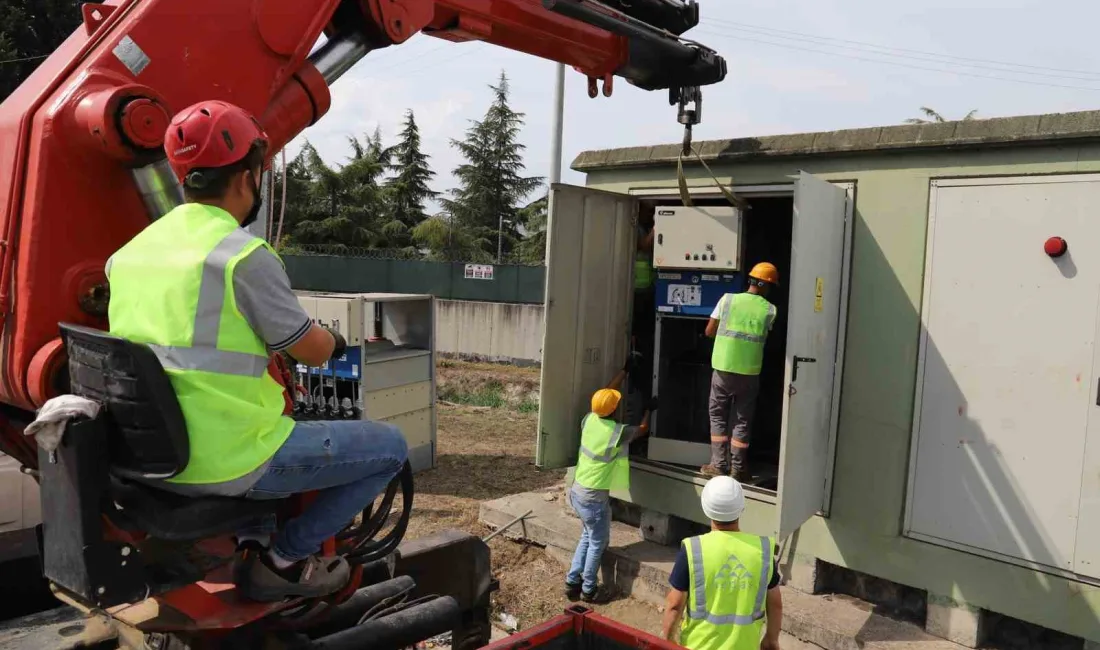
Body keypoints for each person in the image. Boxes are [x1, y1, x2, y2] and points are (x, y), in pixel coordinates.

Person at [105, 100, 409, 602]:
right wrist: (332, 339)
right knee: (391, 448)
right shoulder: (241, 255)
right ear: (249, 176)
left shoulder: (129, 254)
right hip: (227, 459)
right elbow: (309, 350)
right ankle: (286, 560)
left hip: (149, 456)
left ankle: (251, 538)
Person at [564, 363, 657, 604]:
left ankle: (572, 582)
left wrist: (624, 372)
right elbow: (643, 429)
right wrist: (649, 410)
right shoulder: (616, 432)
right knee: (597, 542)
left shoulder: (589, 420)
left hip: (578, 492)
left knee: (587, 536)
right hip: (594, 498)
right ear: (614, 410)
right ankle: (589, 589)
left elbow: (605, 394)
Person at [661, 476, 783, 650]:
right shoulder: (762, 550)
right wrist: (771, 639)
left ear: (705, 508)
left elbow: (674, 605)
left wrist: (668, 641)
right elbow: (776, 603)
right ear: (741, 508)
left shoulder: (693, 549)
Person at [701, 262, 779, 481]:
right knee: (742, 419)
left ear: (751, 281)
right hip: (750, 371)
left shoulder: (727, 300)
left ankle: (718, 464)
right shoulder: (770, 310)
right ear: (767, 286)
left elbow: (709, 331)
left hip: (724, 368)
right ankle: (738, 468)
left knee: (717, 414)